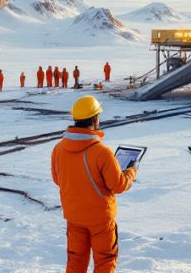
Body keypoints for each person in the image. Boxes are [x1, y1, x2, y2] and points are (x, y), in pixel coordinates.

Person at [51, 95, 137, 273]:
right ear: (96, 119)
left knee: (75, 262)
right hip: (100, 219)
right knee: (105, 262)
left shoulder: (59, 148)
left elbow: (58, 179)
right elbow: (118, 185)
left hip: (74, 216)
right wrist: (131, 171)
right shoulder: (101, 152)